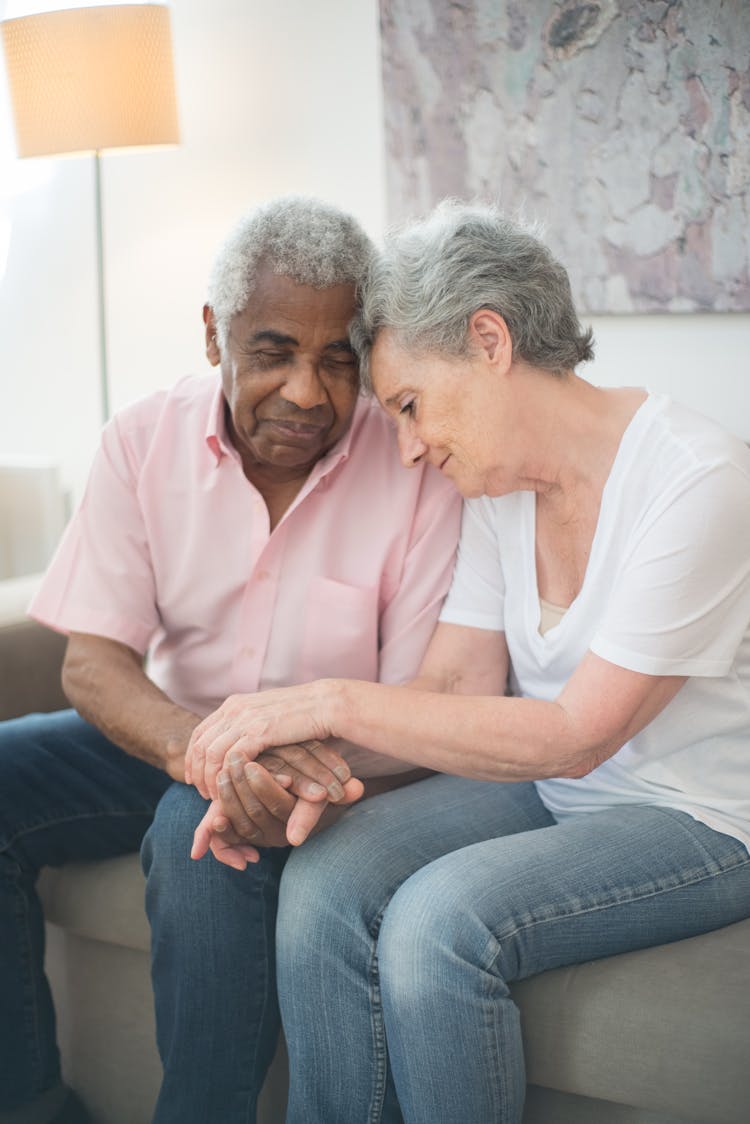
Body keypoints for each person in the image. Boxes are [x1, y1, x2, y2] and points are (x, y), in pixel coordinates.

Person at [186, 200, 750, 1124]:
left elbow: (576, 737)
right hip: (551, 789)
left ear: (489, 339)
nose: (408, 448)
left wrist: (323, 702)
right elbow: (455, 691)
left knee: (437, 924)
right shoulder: (500, 489)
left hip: (700, 821)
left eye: (409, 406)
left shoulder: (699, 479)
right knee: (325, 878)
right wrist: (287, 768)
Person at [0, 196, 461, 1124]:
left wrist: (257, 771)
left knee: (200, 837)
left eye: (339, 358)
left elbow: (421, 710)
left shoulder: (413, 461)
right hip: (178, 735)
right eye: (274, 350)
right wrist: (201, 752)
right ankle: (33, 1102)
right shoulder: (140, 441)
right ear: (215, 335)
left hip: (341, 771)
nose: (308, 392)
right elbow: (94, 664)